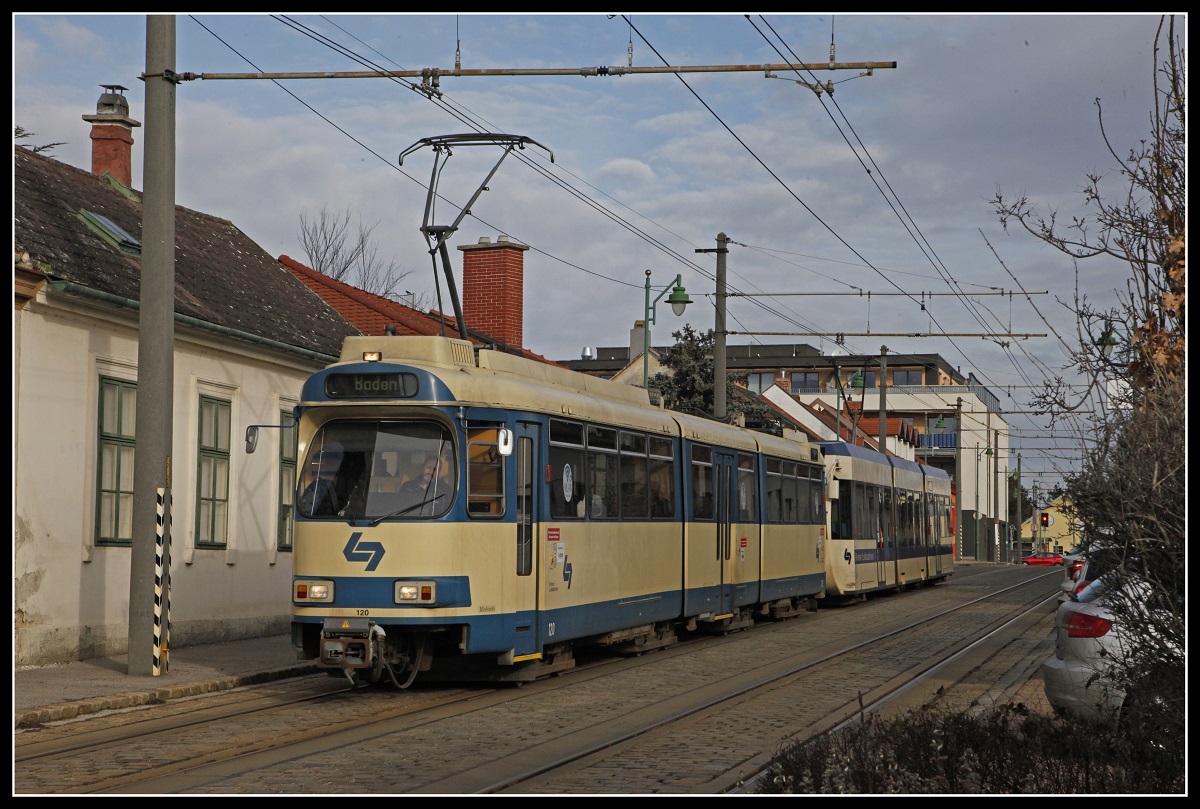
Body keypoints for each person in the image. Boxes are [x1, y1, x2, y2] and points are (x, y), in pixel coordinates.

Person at [300, 442, 343, 516]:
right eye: (332, 459)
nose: (336, 463)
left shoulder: (335, 485)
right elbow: (308, 511)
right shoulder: (317, 487)